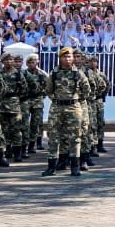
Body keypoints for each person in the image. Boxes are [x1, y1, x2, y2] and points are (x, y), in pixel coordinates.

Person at [44, 47, 91, 177]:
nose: (68, 59)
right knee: (53, 137)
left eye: (69, 56)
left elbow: (87, 91)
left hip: (73, 108)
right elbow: (48, 90)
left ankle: (75, 167)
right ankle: (51, 167)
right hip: (57, 108)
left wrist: (75, 99)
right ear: (60, 58)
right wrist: (56, 99)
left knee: (75, 137)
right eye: (65, 56)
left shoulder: (78, 74)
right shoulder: (54, 74)